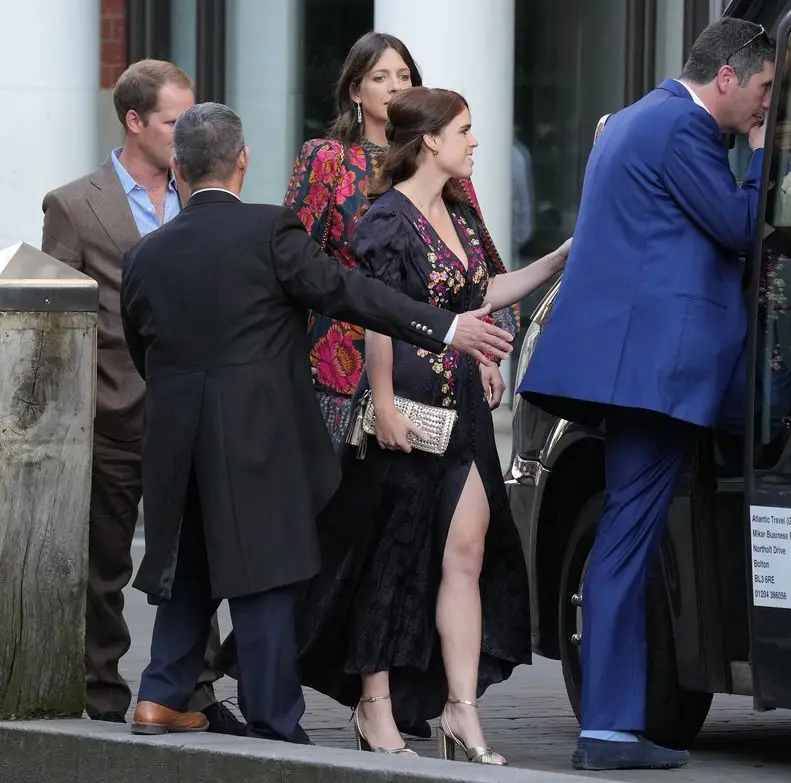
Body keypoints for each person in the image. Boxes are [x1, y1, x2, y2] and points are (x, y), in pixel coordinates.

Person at [120, 102, 514, 742]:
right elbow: (351, 293)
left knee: (188, 563)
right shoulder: (270, 232)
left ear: (179, 167)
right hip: (257, 436)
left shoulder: (144, 255)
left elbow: (144, 349)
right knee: (266, 571)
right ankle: (275, 720)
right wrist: (445, 326)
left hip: (173, 437)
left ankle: (160, 696)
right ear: (243, 160)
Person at [517, 19, 775, 771]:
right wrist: (759, 157)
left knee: (622, 544)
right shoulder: (682, 130)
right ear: (727, 77)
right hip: (660, 374)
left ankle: (613, 722)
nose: (764, 108)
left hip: (634, 370)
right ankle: (607, 728)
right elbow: (739, 224)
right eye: (762, 92)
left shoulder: (634, 119)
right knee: (627, 546)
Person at [294, 87, 571, 764]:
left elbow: (483, 295)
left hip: (464, 413)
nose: (477, 142)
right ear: (431, 143)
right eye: (466, 131)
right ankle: (375, 701)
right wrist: (382, 397)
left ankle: (460, 707)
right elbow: (379, 313)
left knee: (467, 557)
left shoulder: (460, 214)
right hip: (409, 404)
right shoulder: (386, 220)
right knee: (389, 555)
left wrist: (560, 258)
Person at [40, 59, 240, 735]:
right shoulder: (73, 204)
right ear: (133, 122)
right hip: (116, 414)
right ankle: (101, 691)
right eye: (171, 121)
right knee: (105, 563)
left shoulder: (203, 192)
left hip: (197, 411)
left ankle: (199, 689)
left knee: (199, 553)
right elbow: (62, 326)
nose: (185, 132)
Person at [285, 32, 514, 458]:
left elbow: (480, 270)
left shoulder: (442, 161)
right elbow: (295, 263)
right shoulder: (328, 158)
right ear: (356, 90)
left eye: (404, 76)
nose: (394, 86)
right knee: (347, 506)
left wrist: (486, 355)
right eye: (380, 76)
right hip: (342, 363)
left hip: (430, 362)